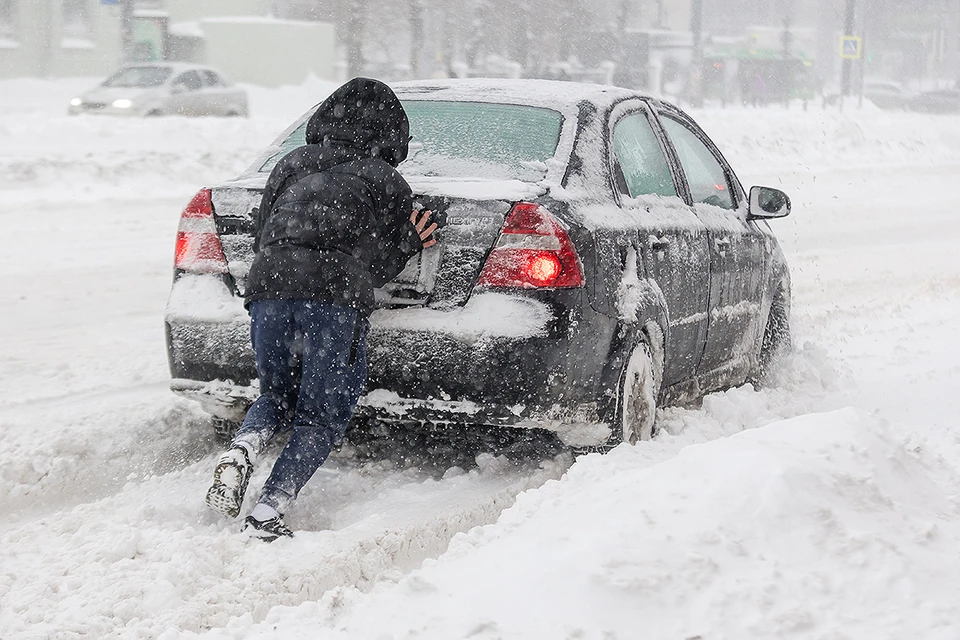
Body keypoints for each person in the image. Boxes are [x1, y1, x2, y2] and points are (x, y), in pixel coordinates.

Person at [204, 77, 436, 541]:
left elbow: (264, 229)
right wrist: (414, 239)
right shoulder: (386, 180)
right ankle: (268, 511)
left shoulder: (290, 164)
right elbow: (376, 266)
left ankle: (243, 448)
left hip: (268, 286)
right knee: (320, 415)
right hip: (333, 299)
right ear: (391, 134)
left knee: (274, 395)